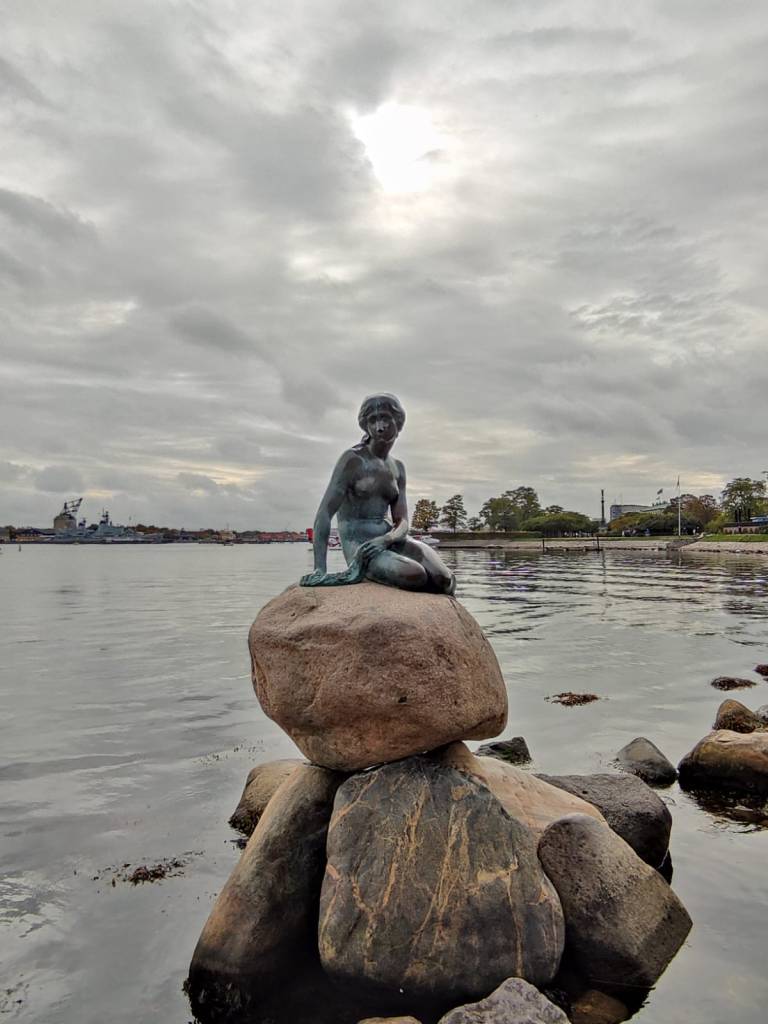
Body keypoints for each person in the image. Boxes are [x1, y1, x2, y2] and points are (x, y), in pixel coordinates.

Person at [300, 394, 455, 594]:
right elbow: (324, 514)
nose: (379, 427)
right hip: (361, 546)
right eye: (372, 420)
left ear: (398, 422)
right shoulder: (352, 460)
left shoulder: (398, 468)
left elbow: (402, 521)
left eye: (384, 418)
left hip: (389, 539)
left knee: (444, 578)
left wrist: (387, 539)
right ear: (365, 426)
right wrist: (319, 569)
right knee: (415, 575)